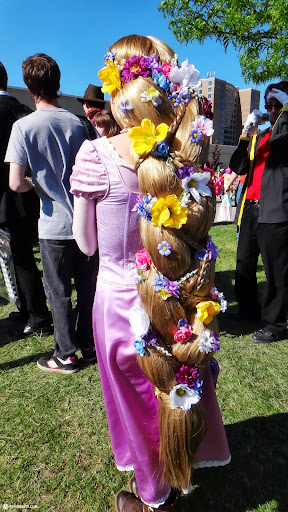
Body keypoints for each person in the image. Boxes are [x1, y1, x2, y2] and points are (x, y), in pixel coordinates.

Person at [71, 35, 230, 511]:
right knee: (182, 383)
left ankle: (152, 493)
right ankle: (181, 467)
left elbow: (86, 243)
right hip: (182, 296)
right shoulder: (186, 154)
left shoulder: (96, 155)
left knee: (139, 399)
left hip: (121, 300)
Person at [6, 53, 98, 373]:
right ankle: (87, 344)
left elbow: (15, 183)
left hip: (53, 224)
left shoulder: (23, 127)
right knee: (87, 289)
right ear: (58, 83)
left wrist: (39, 183)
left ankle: (65, 354)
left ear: (30, 87)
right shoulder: (79, 123)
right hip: (86, 222)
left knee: (58, 292)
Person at [229, 82, 288, 343]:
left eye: (277, 105)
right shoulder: (261, 135)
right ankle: (248, 309)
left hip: (276, 209)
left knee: (276, 269)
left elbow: (280, 136)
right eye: (268, 105)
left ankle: (276, 324)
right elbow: (238, 166)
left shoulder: (284, 133)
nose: (271, 110)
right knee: (244, 263)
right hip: (250, 210)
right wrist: (246, 133)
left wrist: (284, 113)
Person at [0, 61, 52, 336]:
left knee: (20, 258)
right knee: (23, 257)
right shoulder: (25, 111)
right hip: (32, 193)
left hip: (8, 196)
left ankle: (38, 316)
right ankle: (27, 308)